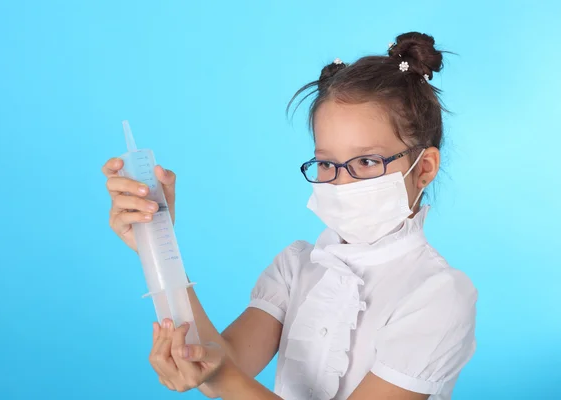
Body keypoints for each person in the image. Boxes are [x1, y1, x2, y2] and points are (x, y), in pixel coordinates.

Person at [101, 31, 477, 400]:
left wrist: (220, 375)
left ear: (424, 168)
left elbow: (226, 378)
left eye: (366, 161)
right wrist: (155, 241)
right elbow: (221, 366)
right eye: (327, 163)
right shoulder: (297, 267)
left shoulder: (439, 295)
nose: (342, 182)